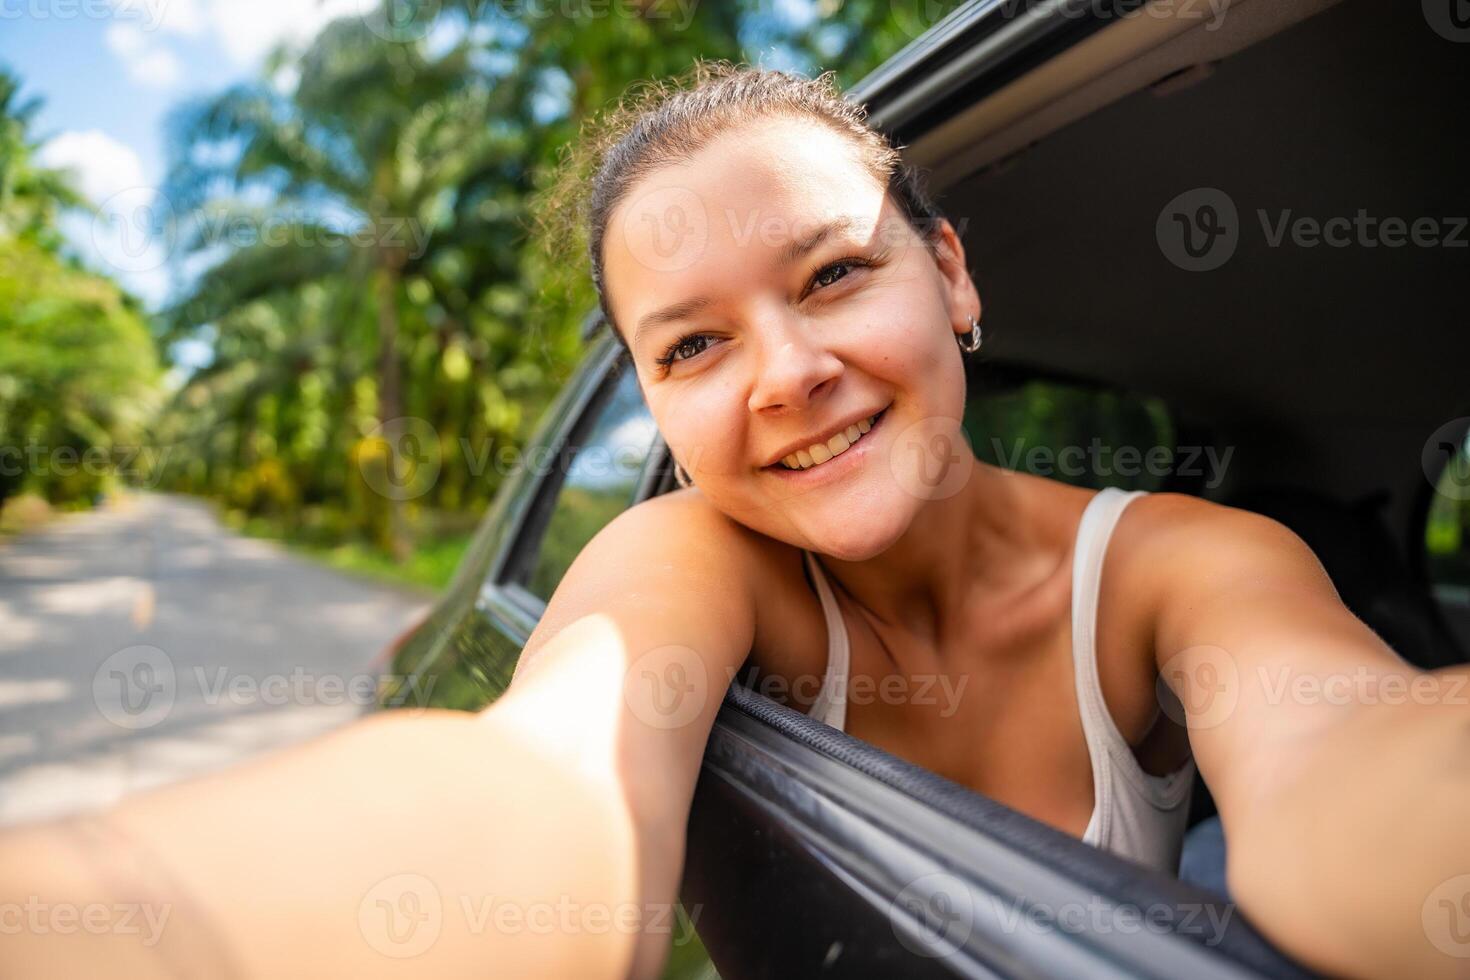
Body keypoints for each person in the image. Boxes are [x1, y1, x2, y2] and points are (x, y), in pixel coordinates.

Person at [3, 62, 1467, 980]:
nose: (785, 374)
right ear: (646, 396)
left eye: (832, 274)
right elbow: (554, 790)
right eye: (690, 348)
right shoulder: (690, 557)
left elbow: (1342, 761)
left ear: (950, 276)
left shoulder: (1180, 564)